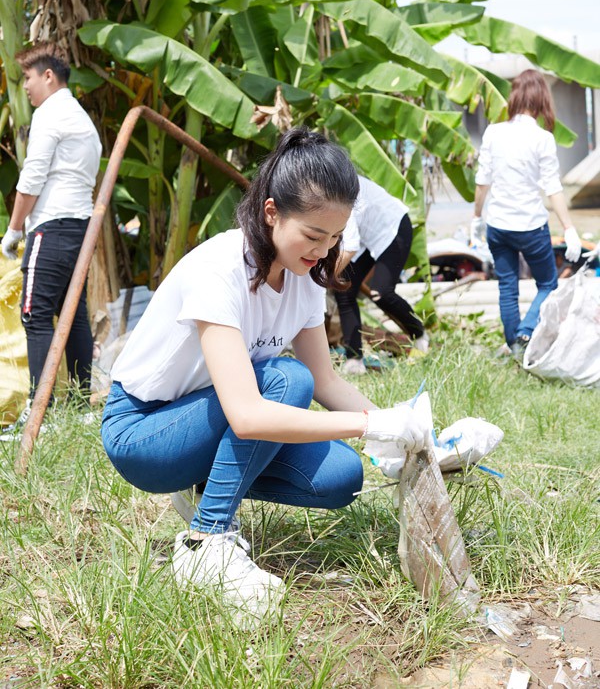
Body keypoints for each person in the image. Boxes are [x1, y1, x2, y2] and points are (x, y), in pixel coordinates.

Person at [101, 128, 427, 624]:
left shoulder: (303, 278)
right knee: (285, 381)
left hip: (208, 420)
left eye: (336, 238)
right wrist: (367, 427)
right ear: (271, 212)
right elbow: (252, 413)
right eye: (314, 236)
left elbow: (329, 382)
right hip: (143, 432)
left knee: (342, 477)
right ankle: (206, 542)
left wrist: (402, 427)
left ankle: (203, 484)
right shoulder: (221, 268)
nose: (324, 251)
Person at [0, 42, 102, 409]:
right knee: (73, 317)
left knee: (35, 314)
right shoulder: (81, 118)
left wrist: (13, 231)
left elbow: (32, 177)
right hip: (79, 228)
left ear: (48, 76)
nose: (25, 86)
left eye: (28, 77)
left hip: (52, 227)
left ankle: (37, 410)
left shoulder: (50, 114)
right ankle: (76, 407)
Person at [470, 69, 581, 358]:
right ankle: (524, 332)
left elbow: (483, 181)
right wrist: (568, 228)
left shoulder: (494, 132)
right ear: (542, 99)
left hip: (498, 224)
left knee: (508, 285)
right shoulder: (542, 138)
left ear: (515, 97)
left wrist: (476, 218)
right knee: (548, 283)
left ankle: (513, 346)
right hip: (531, 225)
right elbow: (552, 188)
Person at [334, 175, 428, 376]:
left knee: (382, 292)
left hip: (393, 228)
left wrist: (322, 279)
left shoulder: (340, 191)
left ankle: (420, 336)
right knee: (344, 289)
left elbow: (349, 247)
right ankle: (354, 360)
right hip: (366, 238)